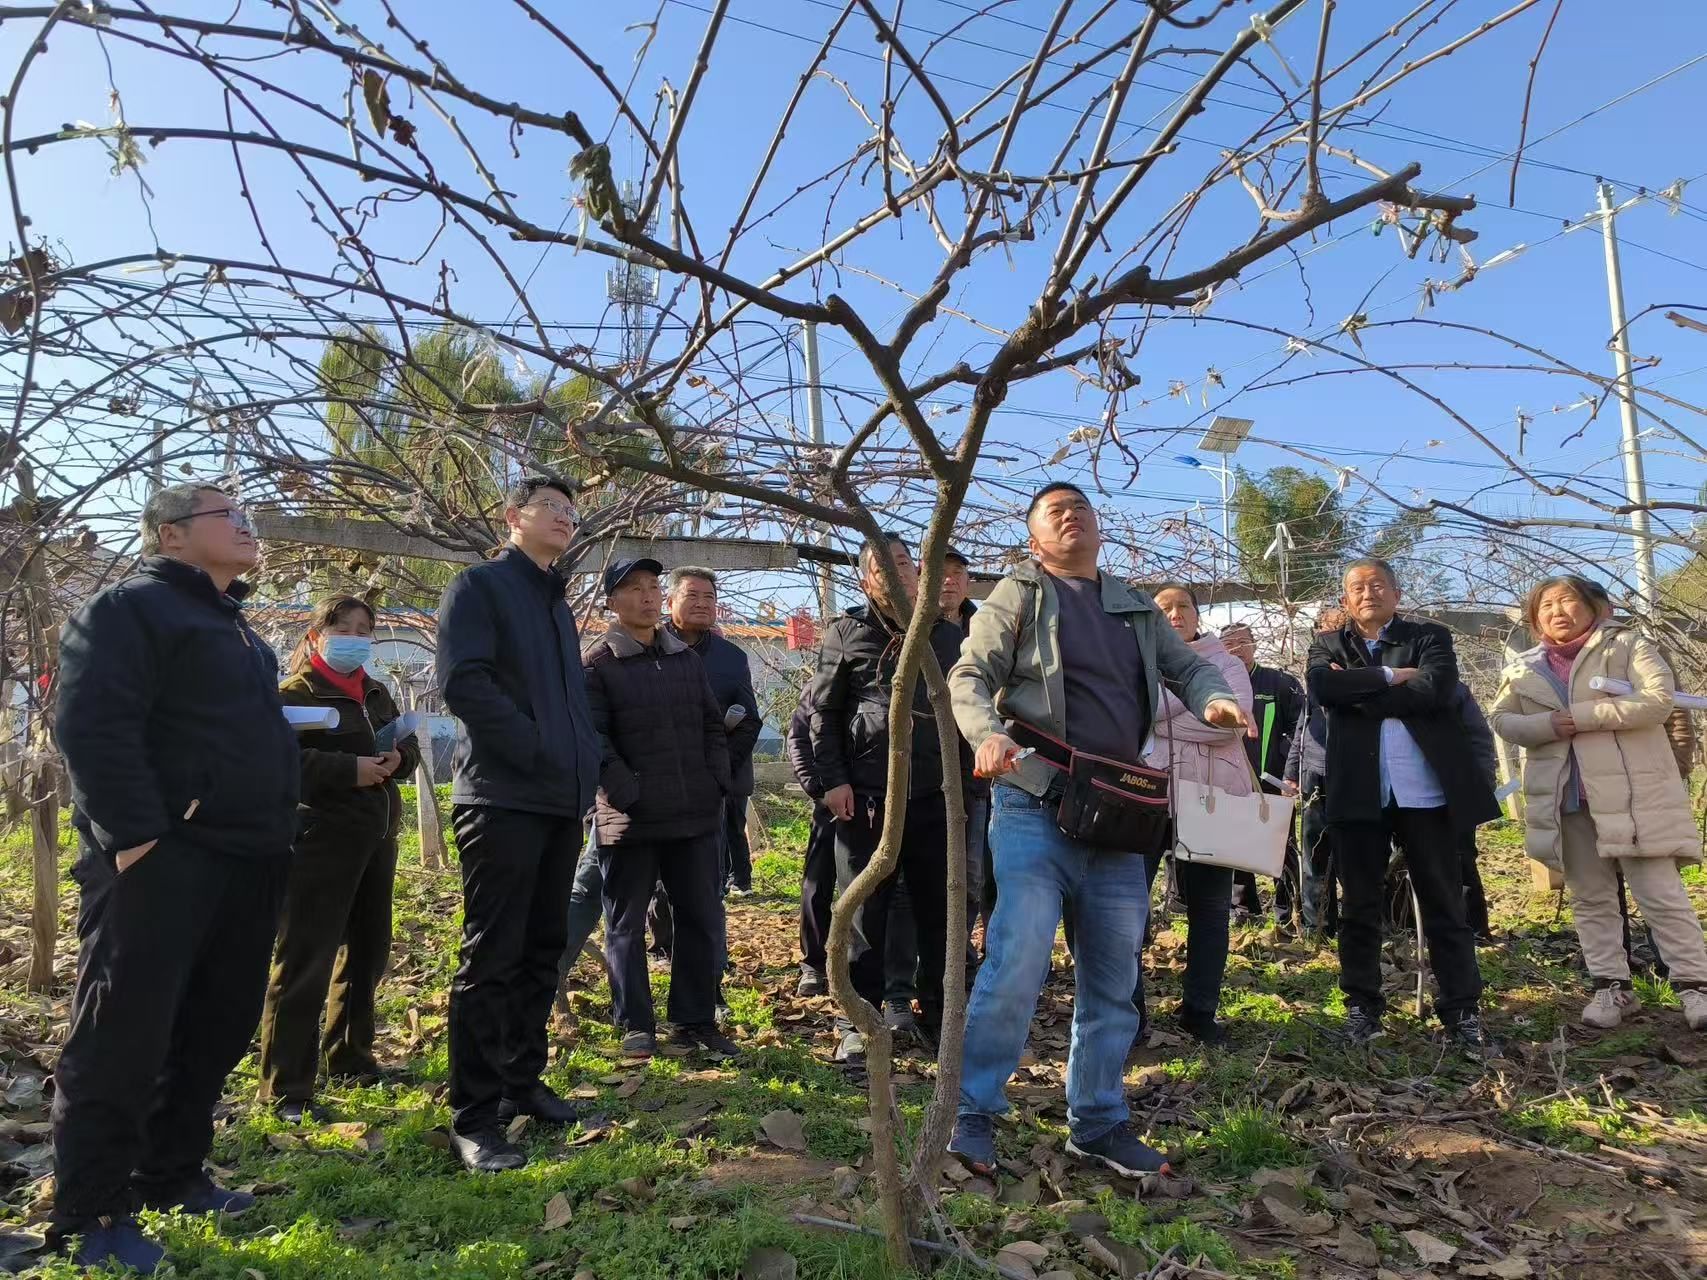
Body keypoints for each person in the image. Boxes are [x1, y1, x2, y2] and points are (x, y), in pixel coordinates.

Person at [947, 482, 1245, 1179]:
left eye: (1080, 507)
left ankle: (1099, 1122)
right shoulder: (1016, 596)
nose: (1070, 515)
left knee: (1113, 979)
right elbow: (969, 672)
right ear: (1033, 537)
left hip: (1116, 815)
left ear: (1099, 527)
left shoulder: (1133, 606)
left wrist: (1215, 698)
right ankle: (973, 1113)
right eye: (1054, 511)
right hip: (1034, 802)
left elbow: (1189, 666)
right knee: (1016, 961)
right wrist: (985, 735)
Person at [49, 484, 300, 1273]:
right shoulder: (129, 609)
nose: (247, 528)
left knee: (214, 1027)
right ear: (171, 535)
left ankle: (171, 1172)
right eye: (230, 517)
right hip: (166, 858)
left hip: (248, 856)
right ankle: (91, 1210)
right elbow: (92, 722)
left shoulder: (240, 631)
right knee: (124, 1034)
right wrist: (133, 839)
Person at [436, 475, 600, 1172]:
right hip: (501, 798)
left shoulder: (555, 604)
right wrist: (535, 748)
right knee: (493, 957)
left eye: (571, 512)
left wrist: (579, 762)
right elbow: (464, 682)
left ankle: (519, 1081)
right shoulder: (479, 588)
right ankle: (472, 1116)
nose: (566, 519)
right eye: (551, 509)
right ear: (513, 518)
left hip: (559, 801)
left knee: (540, 950)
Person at [1490, 574, 1707, 1032]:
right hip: (1566, 800)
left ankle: (1695, 987)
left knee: (1661, 896)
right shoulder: (1524, 666)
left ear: (1596, 607)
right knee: (1591, 899)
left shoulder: (1627, 645)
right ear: (1534, 619)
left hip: (1632, 797)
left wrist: (1582, 717)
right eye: (1545, 605)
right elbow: (1502, 718)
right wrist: (1550, 724)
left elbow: (1659, 700)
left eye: (1566, 600)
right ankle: (1611, 987)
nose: (1556, 611)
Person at [1307, 557, 1499, 1056]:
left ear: (1396, 592)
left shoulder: (1430, 636)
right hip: (1358, 792)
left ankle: (1461, 1011)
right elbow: (1324, 688)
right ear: (1345, 600)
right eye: (1356, 587)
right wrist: (1393, 676)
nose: (1367, 593)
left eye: (1377, 584)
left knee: (1444, 902)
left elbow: (1436, 689)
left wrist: (1362, 689)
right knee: (1359, 906)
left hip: (1427, 792)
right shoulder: (1328, 644)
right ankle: (1362, 1009)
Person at [804, 532, 967, 1062]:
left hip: (938, 797)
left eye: (905, 562)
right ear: (865, 579)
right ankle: (860, 1019)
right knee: (864, 911)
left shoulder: (946, 634)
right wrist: (833, 780)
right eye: (884, 565)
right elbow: (824, 714)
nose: (897, 572)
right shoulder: (848, 631)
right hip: (869, 797)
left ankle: (942, 1016)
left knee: (939, 908)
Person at [259, 597, 419, 1124]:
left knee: (367, 952)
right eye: (342, 628)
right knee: (307, 954)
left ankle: (351, 1058)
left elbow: (406, 744)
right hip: (319, 839)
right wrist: (347, 770)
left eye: (363, 630)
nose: (354, 637)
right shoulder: (292, 696)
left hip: (375, 835)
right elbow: (279, 763)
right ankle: (286, 1085)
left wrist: (399, 759)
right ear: (314, 636)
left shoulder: (375, 692)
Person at [583, 558, 737, 1059]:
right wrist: (627, 791)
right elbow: (593, 739)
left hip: (694, 814)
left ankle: (694, 1021)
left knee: (700, 917)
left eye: (653, 587)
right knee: (626, 923)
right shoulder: (599, 662)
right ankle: (635, 1023)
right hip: (630, 818)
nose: (648, 596)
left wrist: (716, 780)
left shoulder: (684, 659)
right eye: (634, 588)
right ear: (612, 601)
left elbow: (713, 727)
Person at [1136, 585, 1253, 1046]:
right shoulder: (1135, 659)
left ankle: (1200, 1012)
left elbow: (1228, 723)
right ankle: (1130, 1016)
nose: (1176, 613)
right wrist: (1190, 710)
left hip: (1212, 799)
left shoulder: (1225, 661)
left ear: (1198, 615)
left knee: (1209, 909)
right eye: (1165, 608)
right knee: (1125, 907)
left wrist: (1155, 718)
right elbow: (1126, 714)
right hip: (1144, 795)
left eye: (1184, 606)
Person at [665, 567, 761, 896]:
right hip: (656, 784)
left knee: (706, 884)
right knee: (657, 888)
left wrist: (719, 769)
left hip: (712, 787)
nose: (703, 603)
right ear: (669, 601)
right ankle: (663, 947)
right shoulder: (646, 647)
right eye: (692, 595)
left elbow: (749, 720)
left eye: (710, 597)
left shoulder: (732, 658)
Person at [1221, 622, 1305, 927]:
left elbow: (1302, 725)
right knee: (1234, 847)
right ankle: (1243, 909)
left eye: (1243, 642)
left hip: (1274, 782)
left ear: (1254, 645)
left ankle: (1289, 910)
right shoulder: (1217, 681)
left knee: (1282, 847)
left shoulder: (1280, 682)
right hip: (1230, 781)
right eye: (1228, 644)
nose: (1236, 649)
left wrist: (1289, 768)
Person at [1284, 605, 1346, 936]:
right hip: (1314, 772)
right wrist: (1292, 769)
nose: (1328, 633)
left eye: (1336, 627)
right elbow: (1304, 724)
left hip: (1353, 772)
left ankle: (1363, 926)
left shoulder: (1364, 664)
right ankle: (1316, 928)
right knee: (1314, 853)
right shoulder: (1315, 670)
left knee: (1354, 856)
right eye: (1324, 627)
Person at [787, 701, 838, 996]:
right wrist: (817, 788)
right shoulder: (819, 684)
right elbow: (798, 737)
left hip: (878, 798)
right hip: (829, 800)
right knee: (817, 885)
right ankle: (813, 965)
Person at [1452, 682, 1498, 942]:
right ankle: (1411, 929)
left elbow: (1479, 738)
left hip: (1458, 790)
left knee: (1461, 860)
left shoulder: (1453, 689)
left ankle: (1476, 932)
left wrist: (1481, 785)